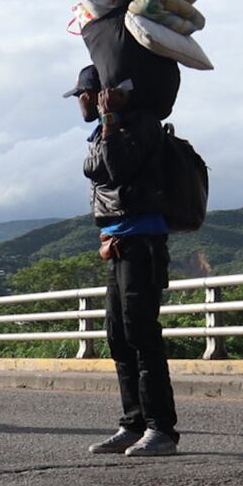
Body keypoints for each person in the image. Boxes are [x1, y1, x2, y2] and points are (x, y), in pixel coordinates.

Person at [67, 64, 180, 457]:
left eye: (83, 93)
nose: (80, 101)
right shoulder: (102, 130)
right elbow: (108, 188)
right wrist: (106, 234)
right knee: (117, 336)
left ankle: (161, 428)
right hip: (118, 242)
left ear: (101, 93)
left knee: (141, 333)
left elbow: (118, 170)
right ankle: (132, 424)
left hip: (142, 244)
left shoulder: (139, 124)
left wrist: (110, 118)